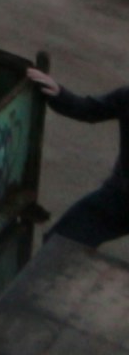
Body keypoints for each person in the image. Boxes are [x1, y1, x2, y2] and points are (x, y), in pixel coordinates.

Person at [49, 66, 129, 252]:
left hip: (120, 194)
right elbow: (89, 109)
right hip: (120, 196)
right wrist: (57, 93)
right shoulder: (127, 98)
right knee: (62, 241)